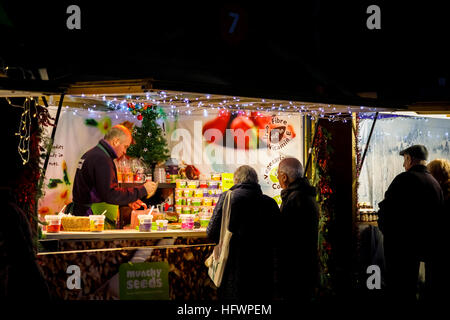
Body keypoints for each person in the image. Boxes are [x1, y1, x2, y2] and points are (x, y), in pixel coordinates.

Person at [377, 145, 444, 303]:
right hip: (424, 249)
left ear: (409, 159)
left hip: (401, 249)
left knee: (399, 291)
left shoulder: (403, 179)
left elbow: (386, 210)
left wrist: (388, 232)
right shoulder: (435, 184)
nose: (403, 165)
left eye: (404, 159)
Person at [206, 165, 280, 300]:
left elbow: (211, 232)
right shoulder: (270, 203)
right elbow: (278, 237)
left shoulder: (227, 198)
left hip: (234, 269)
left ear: (236, 180)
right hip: (262, 270)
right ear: (256, 182)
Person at [72, 125, 158, 228]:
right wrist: (142, 190)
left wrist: (128, 200)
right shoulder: (102, 159)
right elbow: (110, 194)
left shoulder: (92, 154)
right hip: (93, 220)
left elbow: (101, 191)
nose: (125, 151)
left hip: (85, 215)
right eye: (125, 146)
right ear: (116, 141)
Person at [277, 157, 319, 302]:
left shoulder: (295, 199)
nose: (277, 179)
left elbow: (286, 237)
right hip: (307, 268)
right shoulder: (306, 195)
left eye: (278, 175)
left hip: (295, 271)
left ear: (284, 177)